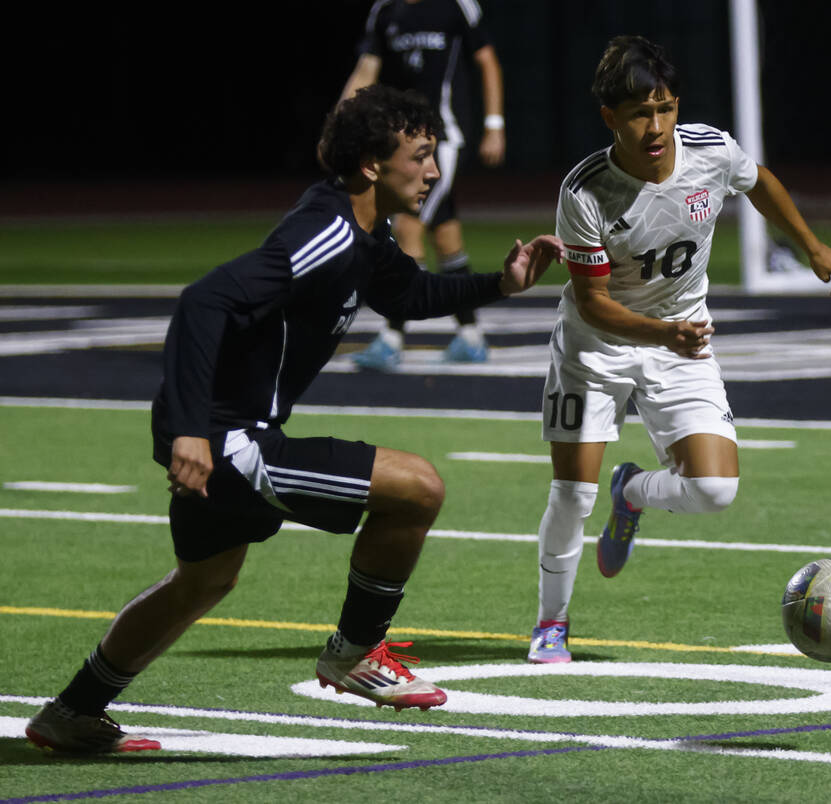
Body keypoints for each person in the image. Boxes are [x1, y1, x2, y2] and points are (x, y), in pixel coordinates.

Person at [24, 85, 563, 753]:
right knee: (419, 486)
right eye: (420, 156)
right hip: (225, 437)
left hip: (229, 430)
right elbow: (203, 303)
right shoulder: (330, 235)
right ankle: (355, 651)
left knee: (204, 581)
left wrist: (498, 285)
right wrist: (193, 429)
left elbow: (407, 290)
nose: (432, 171)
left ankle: (71, 712)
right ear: (372, 164)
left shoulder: (362, 232)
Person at [526, 36, 831, 663]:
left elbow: (760, 183)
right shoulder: (585, 192)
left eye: (666, 108)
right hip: (596, 348)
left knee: (714, 490)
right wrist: (663, 333)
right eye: (641, 114)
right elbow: (592, 304)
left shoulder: (710, 151)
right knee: (571, 495)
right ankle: (551, 623)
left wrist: (811, 245)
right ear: (610, 118)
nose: (657, 127)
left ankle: (635, 493)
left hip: (681, 334)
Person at [342, 0, 506, 369]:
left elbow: (487, 60)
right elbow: (367, 68)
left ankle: (391, 337)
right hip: (404, 142)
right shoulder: (385, 11)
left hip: (443, 141)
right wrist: (340, 118)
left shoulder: (455, 6)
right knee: (446, 235)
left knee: (406, 226)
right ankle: (470, 336)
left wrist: (494, 124)